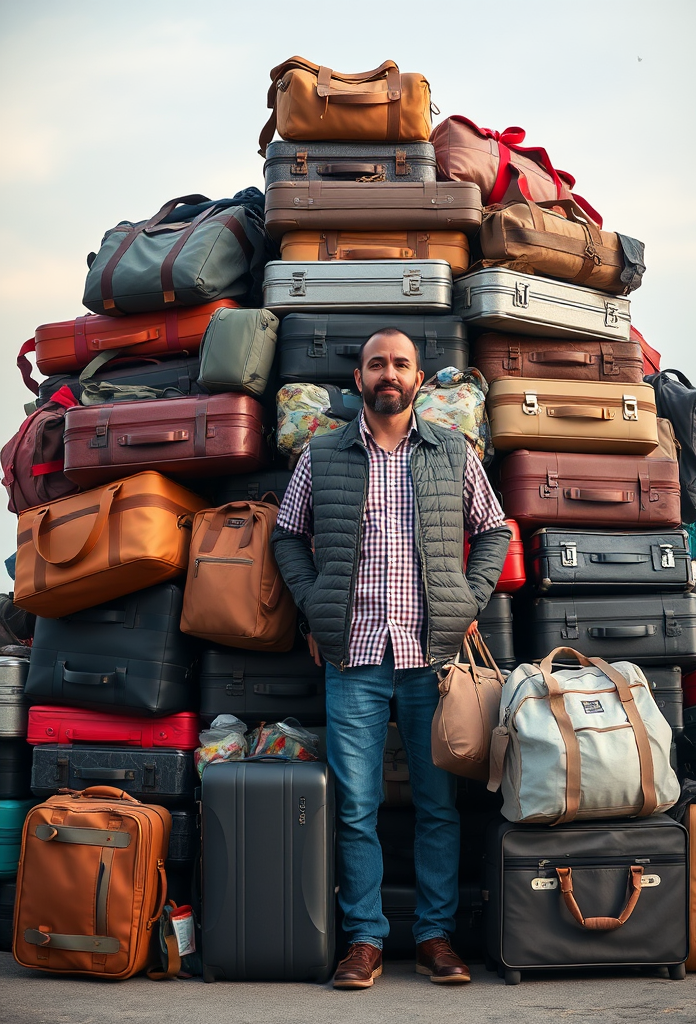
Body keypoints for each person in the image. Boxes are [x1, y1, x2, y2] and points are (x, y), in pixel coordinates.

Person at [272, 328, 511, 989]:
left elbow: (494, 529)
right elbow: (287, 538)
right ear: (358, 380)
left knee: (438, 806)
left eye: (400, 363)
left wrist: (470, 599)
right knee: (356, 807)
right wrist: (314, 604)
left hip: (432, 658)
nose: (388, 373)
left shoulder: (453, 452)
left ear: (418, 377)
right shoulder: (321, 454)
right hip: (354, 658)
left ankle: (436, 938)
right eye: (376, 362)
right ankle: (366, 941)